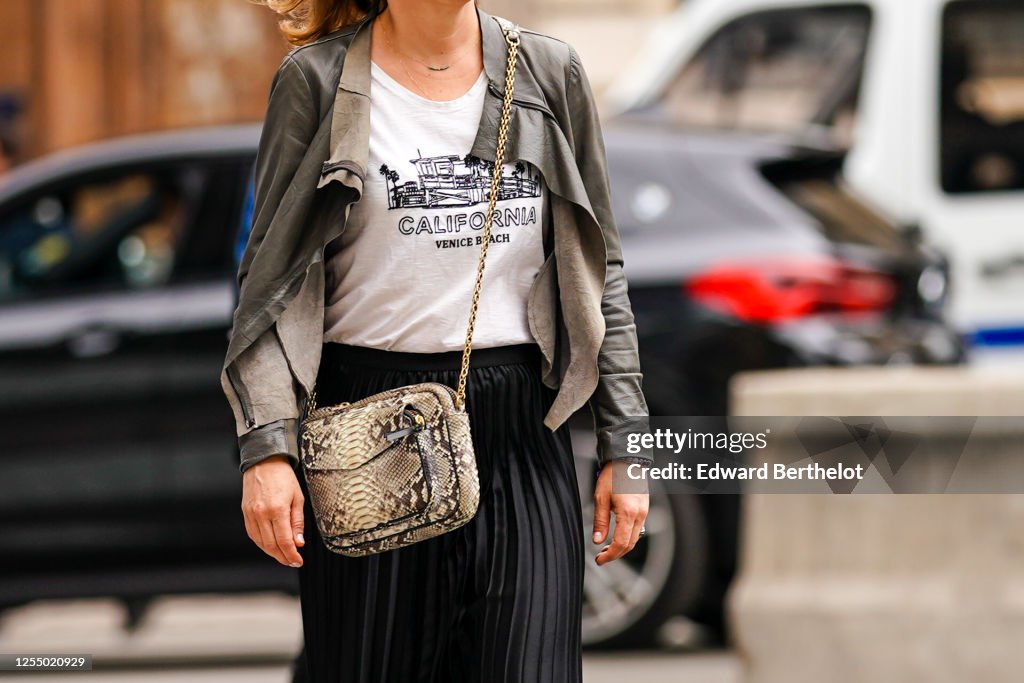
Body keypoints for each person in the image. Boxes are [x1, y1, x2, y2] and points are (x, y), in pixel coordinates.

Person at [223, 1, 653, 680]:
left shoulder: (549, 71)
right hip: (369, 433)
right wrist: (266, 449)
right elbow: (266, 288)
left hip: (521, 428)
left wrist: (624, 443)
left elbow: (602, 273)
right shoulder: (318, 80)